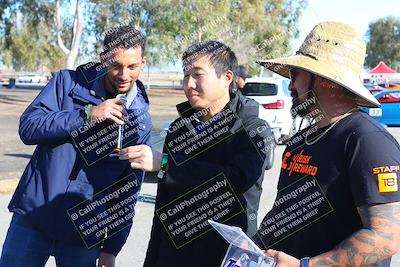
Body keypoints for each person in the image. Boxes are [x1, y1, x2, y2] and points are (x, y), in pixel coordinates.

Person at [0, 25, 152, 267]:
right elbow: (28, 128)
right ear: (104, 60)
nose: (124, 75)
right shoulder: (66, 83)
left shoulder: (141, 123)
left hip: (84, 236)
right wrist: (86, 115)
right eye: (116, 65)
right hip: (32, 219)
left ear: (143, 62)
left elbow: (127, 192)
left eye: (132, 66)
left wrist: (111, 248)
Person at [254, 21, 400, 267]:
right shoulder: (300, 140)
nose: (290, 84)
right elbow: (284, 213)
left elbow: (386, 237)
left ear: (325, 80)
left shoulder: (367, 141)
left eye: (296, 74)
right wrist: (251, 246)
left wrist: (306, 265)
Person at [119, 40, 274, 267]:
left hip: (223, 257)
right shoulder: (180, 128)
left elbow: (234, 181)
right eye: (185, 75)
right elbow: (163, 208)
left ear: (227, 77)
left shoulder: (252, 129)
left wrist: (165, 164)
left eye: (198, 75)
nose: (189, 84)